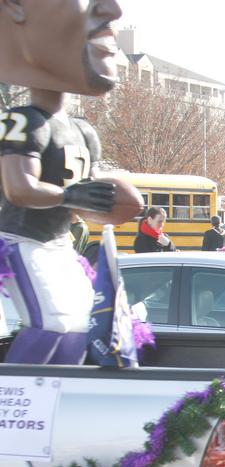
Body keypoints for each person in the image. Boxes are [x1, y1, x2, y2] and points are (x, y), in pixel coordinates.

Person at [0, 0, 124, 365]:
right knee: (51, 323)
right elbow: (19, 188)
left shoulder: (83, 131)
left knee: (82, 326)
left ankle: (51, 405)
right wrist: (70, 195)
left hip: (59, 244)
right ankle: (12, 403)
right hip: (23, 239)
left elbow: (91, 200)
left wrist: (107, 202)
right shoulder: (22, 120)